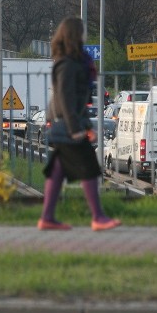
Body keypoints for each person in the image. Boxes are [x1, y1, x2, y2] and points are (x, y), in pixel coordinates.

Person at [38, 17, 122, 232]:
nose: (85, 35)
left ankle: (47, 217)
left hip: (65, 124)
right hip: (65, 126)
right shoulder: (67, 64)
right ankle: (98, 217)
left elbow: (77, 101)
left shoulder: (76, 62)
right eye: (82, 32)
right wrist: (77, 129)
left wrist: (86, 126)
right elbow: (66, 99)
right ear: (75, 35)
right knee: (89, 168)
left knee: (57, 171)